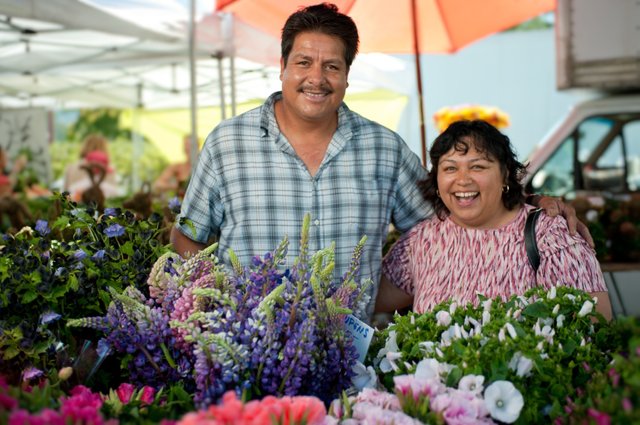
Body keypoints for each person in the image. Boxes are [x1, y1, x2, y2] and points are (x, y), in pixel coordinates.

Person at [172, 3, 590, 320]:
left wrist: (530, 204)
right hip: (251, 349)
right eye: (303, 62)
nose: (316, 78)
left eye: (331, 66)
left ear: (347, 75)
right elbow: (187, 237)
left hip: (353, 360)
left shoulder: (382, 149)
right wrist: (220, 303)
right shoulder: (227, 144)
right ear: (282, 67)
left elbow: (455, 210)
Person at [375, 120, 612, 320]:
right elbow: (367, 299)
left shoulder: (550, 235)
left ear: (505, 175)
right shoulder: (422, 241)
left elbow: (596, 321)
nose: (463, 180)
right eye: (450, 168)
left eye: (477, 166)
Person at [63, 134, 120, 201]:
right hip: (103, 209)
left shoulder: (71, 167)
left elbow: (65, 195)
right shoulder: (110, 168)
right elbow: (114, 196)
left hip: (76, 207)